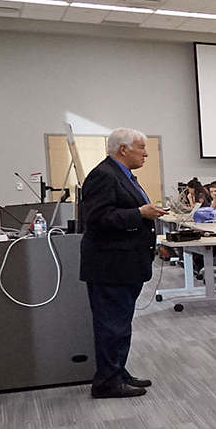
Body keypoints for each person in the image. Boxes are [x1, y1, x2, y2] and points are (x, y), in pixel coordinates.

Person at [77, 128, 165, 400]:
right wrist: (140, 213)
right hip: (111, 265)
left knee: (120, 324)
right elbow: (96, 218)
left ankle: (117, 372)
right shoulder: (103, 175)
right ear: (123, 149)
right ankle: (106, 382)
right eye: (141, 147)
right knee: (111, 325)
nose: (147, 153)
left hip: (125, 264)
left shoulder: (122, 175)